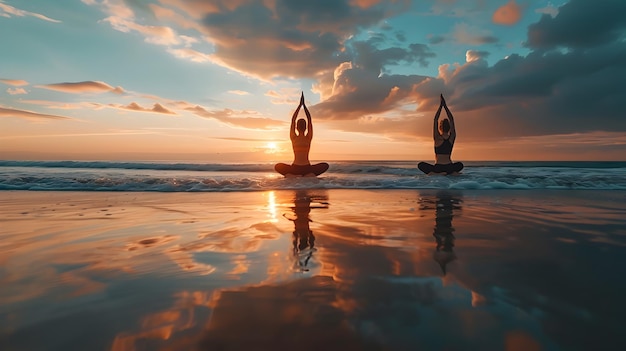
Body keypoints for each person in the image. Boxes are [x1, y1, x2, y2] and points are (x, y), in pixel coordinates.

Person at [274, 92, 329, 177]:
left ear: (296, 127)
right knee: (325, 165)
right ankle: (309, 175)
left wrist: (300, 106)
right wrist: (304, 106)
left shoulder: (294, 138)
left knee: (278, 166)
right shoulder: (308, 137)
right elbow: (309, 120)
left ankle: (293, 175)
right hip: (305, 168)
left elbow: (293, 120)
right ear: (306, 127)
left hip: (297, 168)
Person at [418, 94, 464, 175]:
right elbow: (452, 119)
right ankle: (452, 173)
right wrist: (445, 106)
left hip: (438, 168)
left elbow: (435, 120)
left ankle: (436, 174)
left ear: (440, 127)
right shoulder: (451, 137)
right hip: (449, 167)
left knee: (420, 165)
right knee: (460, 165)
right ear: (449, 128)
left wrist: (440, 106)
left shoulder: (437, 137)